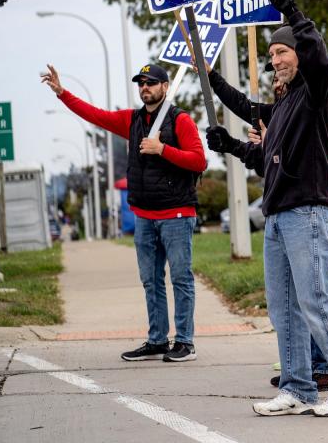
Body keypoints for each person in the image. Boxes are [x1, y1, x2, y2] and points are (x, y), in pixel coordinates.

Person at [206, 0, 328, 417]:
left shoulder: (317, 91)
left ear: (299, 53)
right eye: (272, 53)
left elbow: (320, 57)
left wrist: (294, 14)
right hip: (278, 216)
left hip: (309, 213)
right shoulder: (280, 107)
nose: (275, 59)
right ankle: (299, 387)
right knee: (284, 309)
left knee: (316, 299)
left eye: (282, 51)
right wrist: (227, 134)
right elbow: (261, 149)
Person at [42, 62, 206, 363]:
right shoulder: (132, 121)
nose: (145, 87)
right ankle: (157, 341)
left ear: (165, 87)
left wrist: (162, 149)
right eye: (141, 83)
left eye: (151, 83)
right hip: (144, 215)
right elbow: (96, 116)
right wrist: (63, 94)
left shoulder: (180, 120)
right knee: (150, 280)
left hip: (176, 214)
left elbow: (199, 161)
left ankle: (185, 342)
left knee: (181, 278)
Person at [205, 62, 328, 390]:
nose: (277, 88)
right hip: (290, 213)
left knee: (319, 294)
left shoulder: (322, 113)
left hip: (315, 213)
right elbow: (247, 109)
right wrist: (211, 78)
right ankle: (302, 375)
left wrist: (323, 203)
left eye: (280, 82)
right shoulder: (287, 116)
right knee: (299, 299)